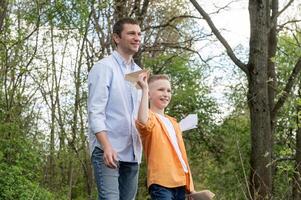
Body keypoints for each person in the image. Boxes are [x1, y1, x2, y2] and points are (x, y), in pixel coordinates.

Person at [87, 17, 143, 200]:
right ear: (116, 38)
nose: (137, 38)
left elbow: (140, 114)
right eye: (131, 33)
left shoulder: (138, 72)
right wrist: (106, 146)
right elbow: (96, 111)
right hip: (109, 151)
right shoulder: (104, 67)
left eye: (139, 34)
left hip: (133, 153)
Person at [135, 74, 195, 200]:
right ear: (149, 95)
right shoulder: (150, 118)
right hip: (161, 183)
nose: (166, 94)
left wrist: (191, 187)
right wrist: (144, 89)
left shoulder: (173, 122)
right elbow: (143, 121)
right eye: (160, 89)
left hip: (181, 183)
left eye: (168, 90)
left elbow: (181, 156)